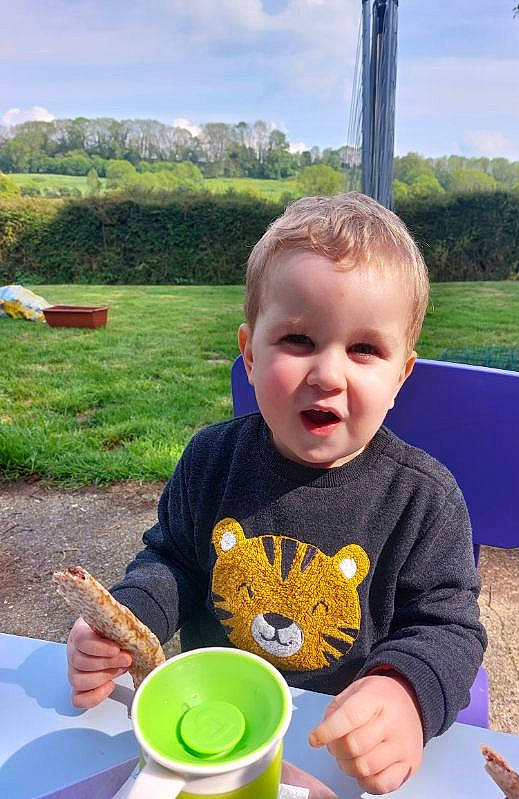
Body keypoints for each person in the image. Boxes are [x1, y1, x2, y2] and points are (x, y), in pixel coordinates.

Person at [66, 192, 487, 796]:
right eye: (297, 339)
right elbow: (174, 562)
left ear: (402, 375)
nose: (329, 373)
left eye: (364, 349)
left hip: (336, 745)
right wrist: (129, 624)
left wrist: (406, 692)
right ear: (249, 352)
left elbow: (449, 630)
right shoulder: (211, 461)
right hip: (214, 733)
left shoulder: (422, 499)